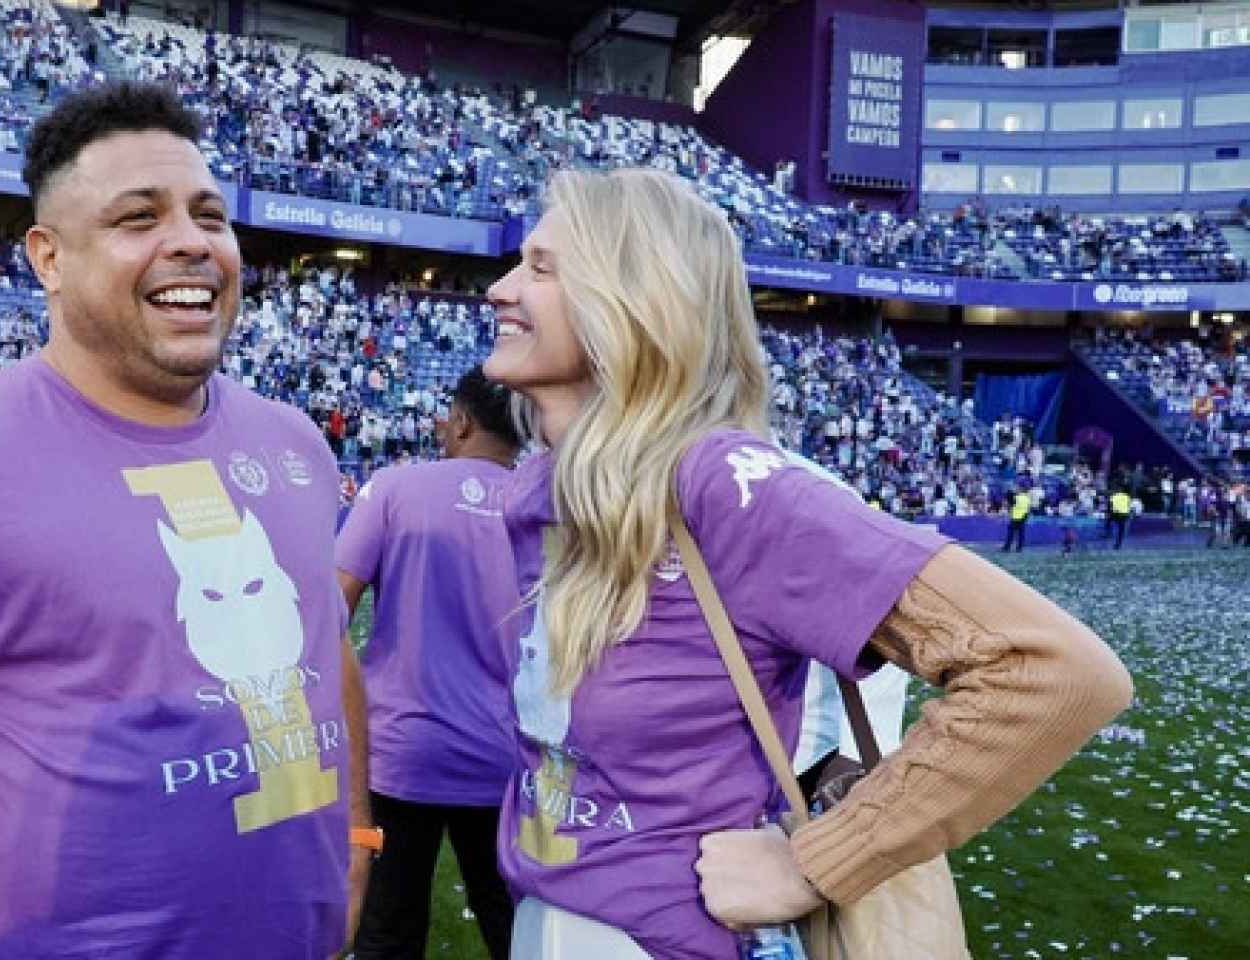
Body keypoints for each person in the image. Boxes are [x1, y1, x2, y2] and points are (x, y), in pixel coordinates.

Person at [0, 83, 374, 960]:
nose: (191, 242)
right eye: (139, 218)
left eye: (210, 215)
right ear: (48, 259)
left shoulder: (294, 445)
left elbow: (326, 645)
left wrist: (356, 840)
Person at [480, 167, 1133, 960]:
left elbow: (1051, 669)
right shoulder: (549, 491)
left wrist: (817, 863)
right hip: (547, 917)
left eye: (541, 268)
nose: (500, 289)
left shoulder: (719, 481)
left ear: (629, 302)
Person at [335, 365, 522, 960]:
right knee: (515, 928)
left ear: (463, 420)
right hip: (503, 756)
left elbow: (331, 608)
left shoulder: (395, 487)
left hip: (400, 753)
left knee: (387, 928)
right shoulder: (543, 503)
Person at [1002, 484, 1030, 553]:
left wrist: (1010, 491)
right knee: (1021, 534)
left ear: (1021, 490)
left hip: (1015, 517)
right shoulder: (1027, 499)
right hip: (1023, 517)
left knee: (1011, 534)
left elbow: (1009, 499)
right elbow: (1028, 509)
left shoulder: (1016, 498)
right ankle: (1019, 548)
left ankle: (1007, 547)